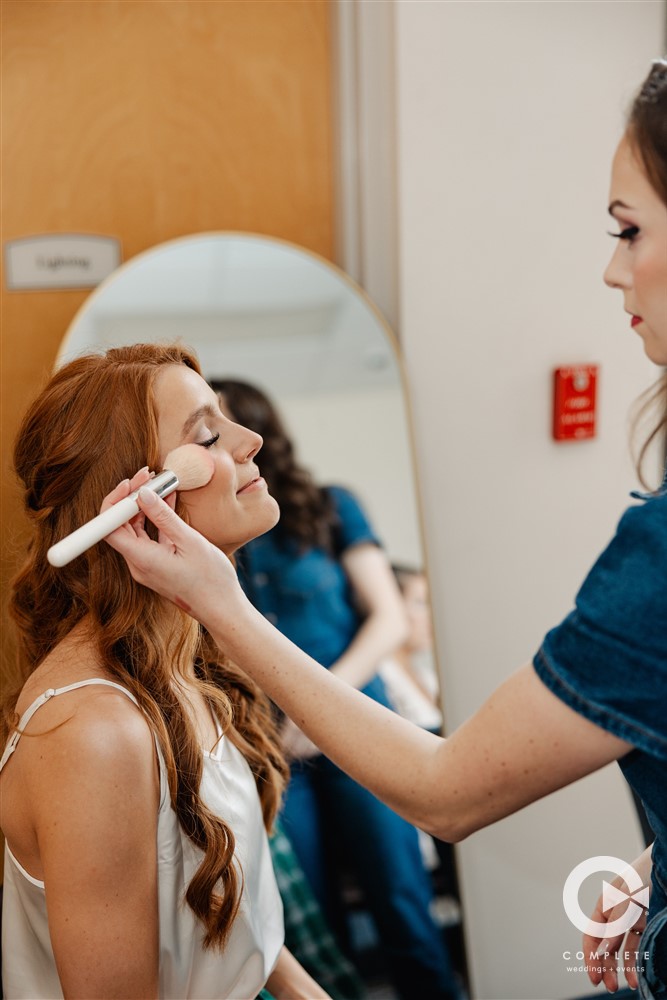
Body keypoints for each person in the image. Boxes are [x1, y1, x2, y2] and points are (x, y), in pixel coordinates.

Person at [100, 60, 667, 997]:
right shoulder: (101, 726)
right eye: (204, 432)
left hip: (353, 726)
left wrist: (223, 606)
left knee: (401, 910)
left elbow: (448, 791)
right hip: (283, 739)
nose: (610, 267)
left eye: (629, 230)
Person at [0, 344, 332, 1000]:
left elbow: (234, 923)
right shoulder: (93, 733)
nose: (251, 440)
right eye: (207, 434)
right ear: (134, 502)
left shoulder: (183, 672)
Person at [210, 379, 462, 1000]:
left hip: (357, 733)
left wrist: (316, 709)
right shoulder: (211, 532)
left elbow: (389, 620)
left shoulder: (331, 506)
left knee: (401, 901)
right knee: (310, 918)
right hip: (269, 755)